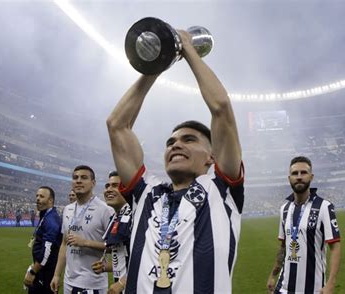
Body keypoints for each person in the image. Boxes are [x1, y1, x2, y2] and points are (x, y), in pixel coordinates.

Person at [106, 30, 244, 293]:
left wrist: (188, 49)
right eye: (170, 143)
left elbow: (221, 108)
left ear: (211, 157)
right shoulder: (147, 193)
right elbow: (117, 125)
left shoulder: (220, 187)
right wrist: (157, 63)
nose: (176, 144)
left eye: (189, 140)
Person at [267, 156, 341, 294]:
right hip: (283, 288)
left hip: (312, 288)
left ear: (311, 177)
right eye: (295, 173)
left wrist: (331, 283)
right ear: (289, 178)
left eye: (303, 172)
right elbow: (283, 247)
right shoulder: (284, 209)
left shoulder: (324, 207)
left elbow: (335, 247)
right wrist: (273, 275)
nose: (299, 177)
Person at [50, 165, 114, 294]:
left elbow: (115, 247)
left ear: (93, 183)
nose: (78, 180)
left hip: (93, 283)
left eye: (84, 178)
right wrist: (57, 275)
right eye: (75, 178)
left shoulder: (105, 210)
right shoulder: (67, 209)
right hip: (69, 282)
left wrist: (85, 242)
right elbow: (64, 244)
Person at [92, 171, 132, 294]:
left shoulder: (136, 217)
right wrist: (105, 267)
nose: (109, 189)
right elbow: (123, 259)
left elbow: (148, 260)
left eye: (115, 185)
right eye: (107, 186)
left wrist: (122, 283)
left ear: (127, 189)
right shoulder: (115, 217)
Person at [23, 186, 62, 293]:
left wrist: (33, 271)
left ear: (50, 200)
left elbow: (47, 251)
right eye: (37, 196)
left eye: (41, 196)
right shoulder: (46, 216)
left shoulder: (51, 220)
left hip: (45, 272)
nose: (37, 199)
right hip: (42, 269)